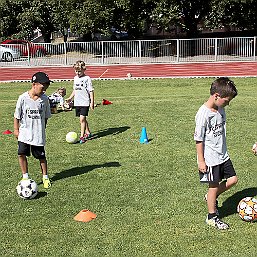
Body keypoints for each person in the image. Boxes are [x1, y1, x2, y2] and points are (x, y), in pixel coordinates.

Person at [194, 77, 238, 230]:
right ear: (216, 96)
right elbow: (198, 139)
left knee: (233, 180)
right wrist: (201, 160)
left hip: (223, 154)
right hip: (210, 158)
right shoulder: (203, 114)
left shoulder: (220, 108)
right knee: (213, 186)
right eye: (226, 101)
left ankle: (210, 198)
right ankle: (212, 216)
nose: (228, 104)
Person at [14, 72, 52, 189]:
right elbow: (17, 116)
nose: (45, 88)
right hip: (25, 133)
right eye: (43, 85)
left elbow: (46, 117)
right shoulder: (23, 98)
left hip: (38, 134)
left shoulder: (44, 99)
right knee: (21, 153)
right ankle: (25, 176)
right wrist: (16, 129)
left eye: (47, 85)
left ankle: (45, 177)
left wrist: (42, 129)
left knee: (41, 156)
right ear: (34, 84)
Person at [66, 60, 94, 144]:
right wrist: (70, 98)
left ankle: (82, 136)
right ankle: (88, 132)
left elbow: (91, 91)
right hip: (77, 102)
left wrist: (92, 102)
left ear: (84, 70)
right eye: (76, 71)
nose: (77, 73)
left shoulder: (87, 78)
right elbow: (75, 89)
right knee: (82, 119)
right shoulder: (75, 78)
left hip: (85, 102)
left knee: (82, 119)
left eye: (79, 71)